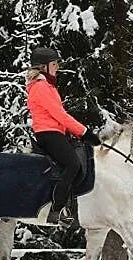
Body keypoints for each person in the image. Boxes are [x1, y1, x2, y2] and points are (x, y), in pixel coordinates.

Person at [26, 47, 101, 225]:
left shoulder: (48, 86)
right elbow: (59, 115)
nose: (57, 67)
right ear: (43, 67)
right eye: (54, 64)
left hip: (56, 132)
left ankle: (70, 204)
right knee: (73, 164)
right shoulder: (41, 87)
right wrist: (84, 132)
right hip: (48, 133)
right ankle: (56, 210)